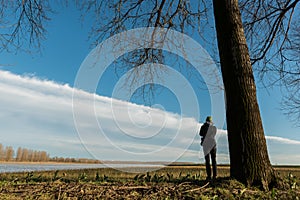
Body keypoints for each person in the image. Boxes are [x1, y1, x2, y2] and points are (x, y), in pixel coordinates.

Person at [199, 116, 217, 180]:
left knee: (208, 161)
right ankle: (214, 176)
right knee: (213, 160)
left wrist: (205, 126)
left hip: (206, 145)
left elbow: (201, 133)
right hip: (212, 145)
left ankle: (209, 176)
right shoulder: (214, 128)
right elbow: (212, 134)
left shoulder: (203, 127)